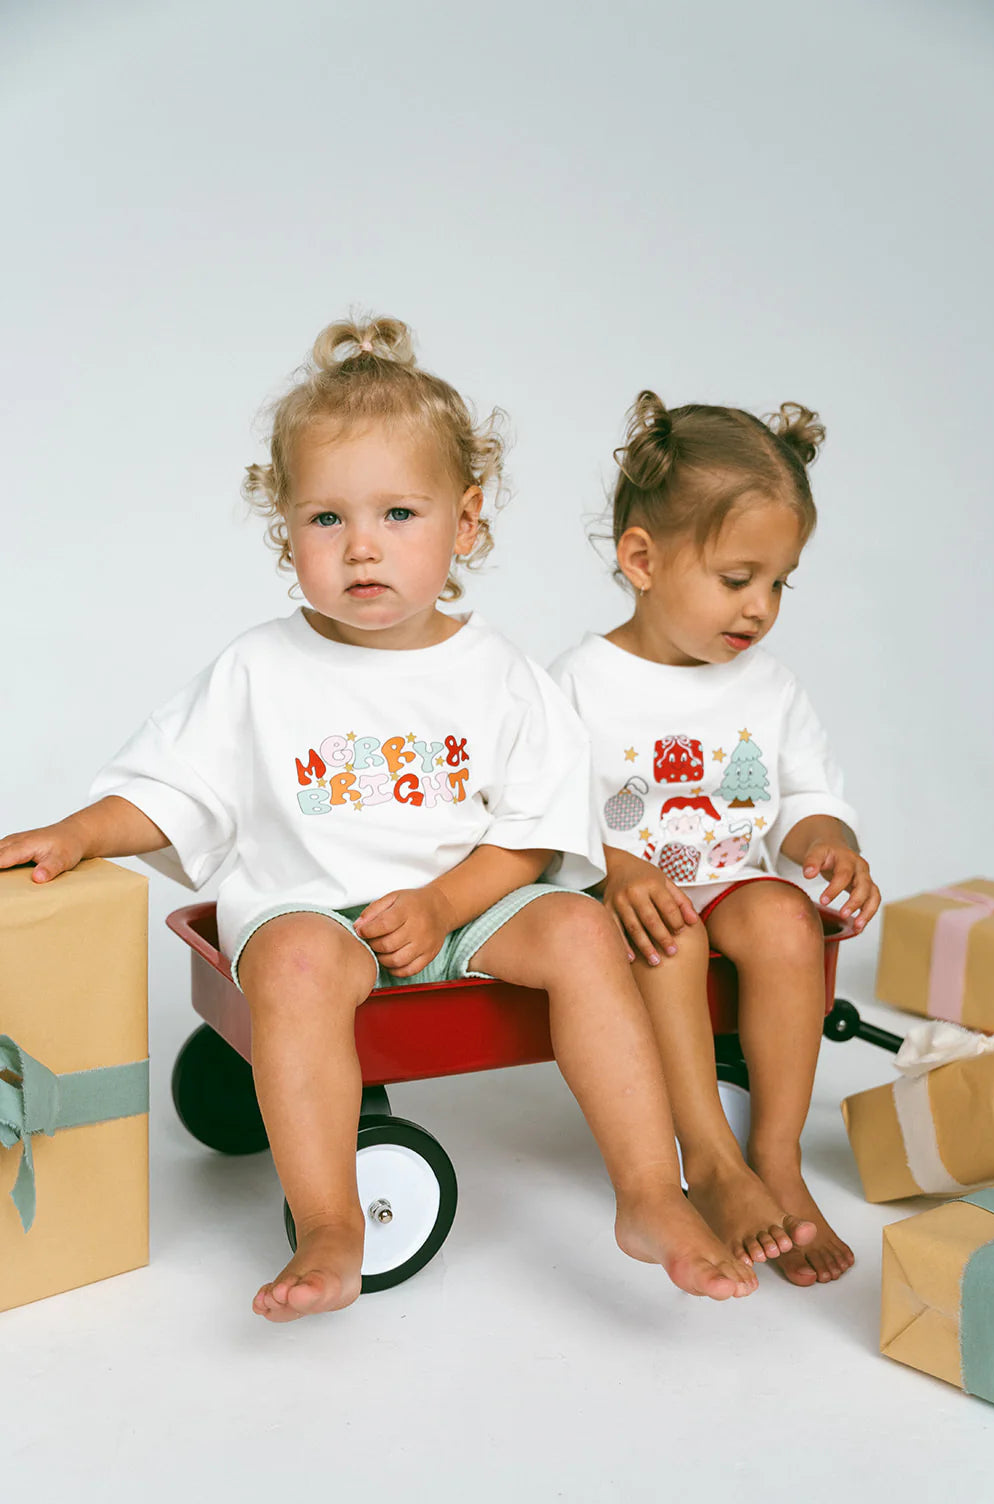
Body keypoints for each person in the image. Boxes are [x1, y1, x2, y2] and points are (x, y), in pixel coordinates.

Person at [0, 323, 757, 1320]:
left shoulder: (498, 675)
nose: (361, 545)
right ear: (286, 529)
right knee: (298, 968)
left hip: (469, 901)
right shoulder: (259, 670)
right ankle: (331, 1220)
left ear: (465, 523)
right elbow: (172, 785)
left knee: (578, 927)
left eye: (399, 512)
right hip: (314, 909)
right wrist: (83, 832)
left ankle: (650, 1192)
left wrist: (445, 902)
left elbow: (531, 830)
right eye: (326, 518)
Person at [551, 392, 881, 1286]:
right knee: (672, 933)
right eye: (737, 579)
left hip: (727, 882)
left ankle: (775, 1158)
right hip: (622, 902)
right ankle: (708, 1157)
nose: (760, 607)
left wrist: (827, 841)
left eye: (778, 582)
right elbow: (540, 817)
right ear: (641, 559)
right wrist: (613, 867)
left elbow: (804, 797)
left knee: (783, 918)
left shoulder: (767, 689)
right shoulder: (578, 683)